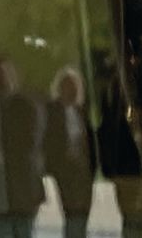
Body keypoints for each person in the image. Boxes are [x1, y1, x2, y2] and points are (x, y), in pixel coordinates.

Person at [0, 57, 47, 237]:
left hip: (22, 192)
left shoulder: (27, 105)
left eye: (4, 74)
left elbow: (29, 145)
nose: (1, 80)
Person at [42, 65, 97, 238]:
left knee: (82, 211)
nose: (71, 89)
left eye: (74, 86)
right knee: (72, 211)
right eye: (67, 85)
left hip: (82, 170)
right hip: (63, 169)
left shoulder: (81, 111)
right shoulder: (51, 111)